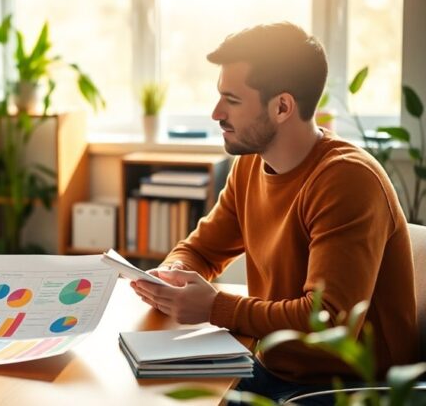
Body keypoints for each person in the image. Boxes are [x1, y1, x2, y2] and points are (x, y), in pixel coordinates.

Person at [131, 22, 419, 402]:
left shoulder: (347, 180)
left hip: (344, 387)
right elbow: (201, 249)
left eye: (232, 100)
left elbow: (327, 323)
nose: (216, 113)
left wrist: (215, 307)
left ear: (282, 106)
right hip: (271, 366)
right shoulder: (250, 165)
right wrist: (175, 275)